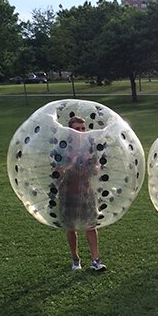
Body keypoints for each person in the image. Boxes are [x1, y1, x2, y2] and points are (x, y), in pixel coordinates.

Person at [56, 116, 105, 271]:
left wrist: (91, 165)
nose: (81, 131)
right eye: (77, 128)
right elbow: (57, 174)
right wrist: (72, 163)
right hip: (68, 193)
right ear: (70, 131)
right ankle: (75, 259)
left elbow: (96, 169)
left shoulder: (89, 148)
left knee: (91, 226)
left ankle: (96, 260)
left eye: (83, 128)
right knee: (71, 228)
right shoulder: (61, 149)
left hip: (86, 192)